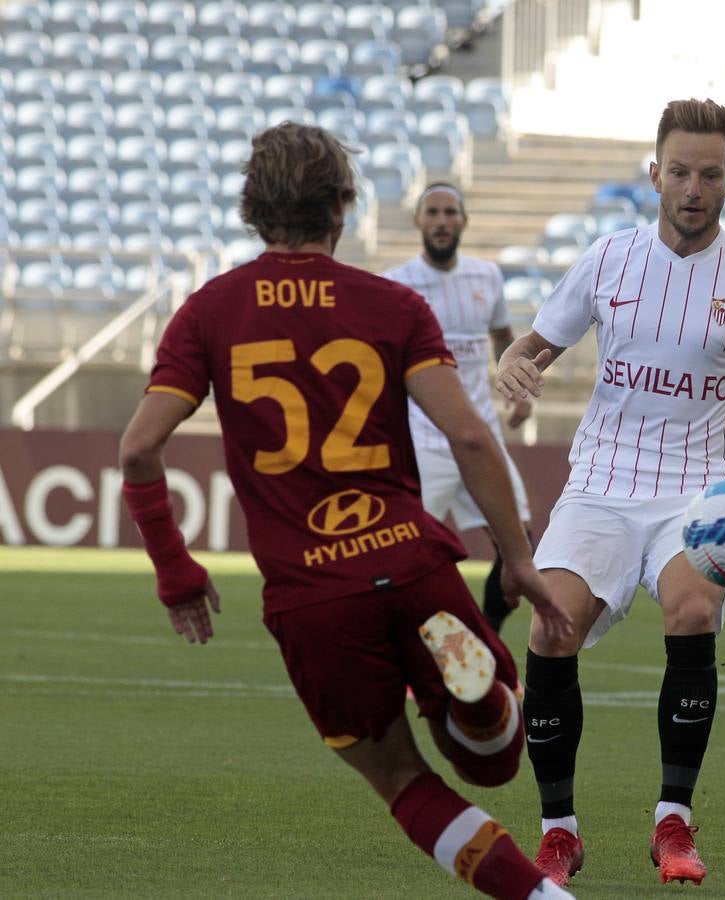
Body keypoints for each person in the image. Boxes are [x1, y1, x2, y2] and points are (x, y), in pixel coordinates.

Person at [118, 122, 576, 900]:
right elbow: (468, 431)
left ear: (251, 208)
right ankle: (482, 707)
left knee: (402, 779)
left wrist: (176, 568)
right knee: (491, 757)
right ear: (341, 206)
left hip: (312, 597)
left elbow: (137, 450)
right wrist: (519, 560)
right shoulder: (391, 305)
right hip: (410, 558)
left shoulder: (209, 313)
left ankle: (539, 897)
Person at [494, 98, 725, 888]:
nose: (692, 187)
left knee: (692, 609)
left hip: (701, 496)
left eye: (709, 174)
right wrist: (515, 364)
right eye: (678, 171)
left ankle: (672, 822)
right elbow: (531, 346)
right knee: (548, 630)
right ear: (653, 174)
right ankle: (559, 832)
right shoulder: (606, 259)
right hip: (602, 483)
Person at [383, 183, 534, 634]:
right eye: (433, 212)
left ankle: (483, 640)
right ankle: (409, 653)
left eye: (450, 212)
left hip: (480, 435)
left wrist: (517, 385)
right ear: (418, 221)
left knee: (520, 548)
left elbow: (503, 338)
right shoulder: (397, 284)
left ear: (464, 220)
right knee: (403, 556)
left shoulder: (486, 277)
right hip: (422, 439)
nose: (442, 220)